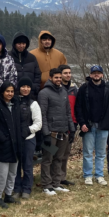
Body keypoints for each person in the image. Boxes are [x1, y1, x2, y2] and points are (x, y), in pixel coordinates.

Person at [75, 65, 109, 186]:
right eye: (94, 73)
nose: (96, 75)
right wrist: (82, 123)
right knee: (88, 152)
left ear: (102, 75)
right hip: (88, 125)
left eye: (99, 73)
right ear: (91, 75)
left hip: (103, 126)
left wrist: (108, 121)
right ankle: (88, 175)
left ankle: (99, 175)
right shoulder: (84, 88)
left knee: (101, 152)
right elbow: (78, 107)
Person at [38, 68, 75, 196]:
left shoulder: (64, 91)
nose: (59, 79)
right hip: (51, 133)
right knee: (48, 159)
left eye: (60, 77)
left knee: (59, 158)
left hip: (63, 131)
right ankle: (46, 185)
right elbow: (42, 115)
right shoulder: (44, 93)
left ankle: (56, 183)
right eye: (56, 77)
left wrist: (72, 129)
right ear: (50, 78)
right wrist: (46, 133)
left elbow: (68, 112)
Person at [0, 81, 23, 208]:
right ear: (2, 92)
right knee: (2, 173)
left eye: (12, 91)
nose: (10, 94)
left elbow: (19, 123)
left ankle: (8, 194)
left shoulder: (15, 104)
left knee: (13, 172)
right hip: (3, 144)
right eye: (7, 91)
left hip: (16, 143)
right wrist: (2, 138)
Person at [13, 77, 41, 199]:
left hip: (29, 138)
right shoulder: (13, 102)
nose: (25, 89)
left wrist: (28, 130)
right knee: (15, 166)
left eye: (28, 87)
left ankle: (27, 189)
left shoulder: (33, 104)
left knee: (27, 165)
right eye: (23, 86)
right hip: (14, 139)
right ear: (19, 88)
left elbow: (38, 123)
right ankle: (16, 188)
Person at [59, 64, 78, 186]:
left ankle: (62, 177)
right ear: (60, 75)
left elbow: (77, 107)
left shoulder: (74, 89)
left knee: (65, 153)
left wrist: (75, 124)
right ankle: (51, 178)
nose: (68, 75)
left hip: (71, 125)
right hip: (56, 126)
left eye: (69, 73)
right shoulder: (56, 88)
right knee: (53, 153)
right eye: (65, 73)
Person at [10, 32, 41, 97]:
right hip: (13, 94)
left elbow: (37, 75)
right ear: (14, 44)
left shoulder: (32, 58)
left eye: (23, 43)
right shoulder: (8, 57)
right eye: (19, 43)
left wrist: (34, 88)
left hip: (30, 94)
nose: (21, 46)